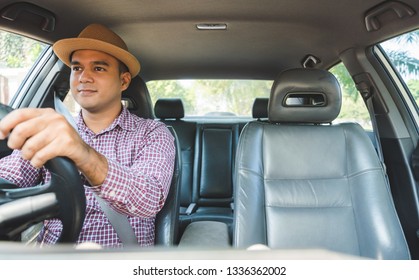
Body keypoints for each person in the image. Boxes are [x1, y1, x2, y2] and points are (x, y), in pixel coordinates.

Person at [0, 24, 176, 247]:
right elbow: (9, 176)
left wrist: (83, 155)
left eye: (98, 68)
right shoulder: (53, 131)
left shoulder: (152, 133)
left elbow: (148, 199)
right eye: (77, 68)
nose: (84, 77)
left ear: (123, 81)